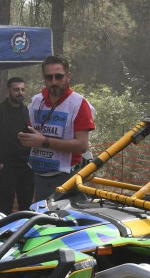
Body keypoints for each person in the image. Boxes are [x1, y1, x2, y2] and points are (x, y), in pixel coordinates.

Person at [18, 54, 95, 202]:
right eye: (49, 77)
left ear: (68, 76)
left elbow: (82, 145)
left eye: (59, 76)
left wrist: (44, 141)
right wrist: (26, 138)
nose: (54, 82)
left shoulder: (78, 103)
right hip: (39, 177)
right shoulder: (36, 101)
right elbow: (32, 133)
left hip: (67, 177)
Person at [0, 77, 33, 214]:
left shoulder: (28, 111)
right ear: (8, 91)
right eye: (16, 90)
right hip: (6, 168)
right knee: (5, 207)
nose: (20, 93)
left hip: (26, 167)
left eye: (23, 90)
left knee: (26, 207)